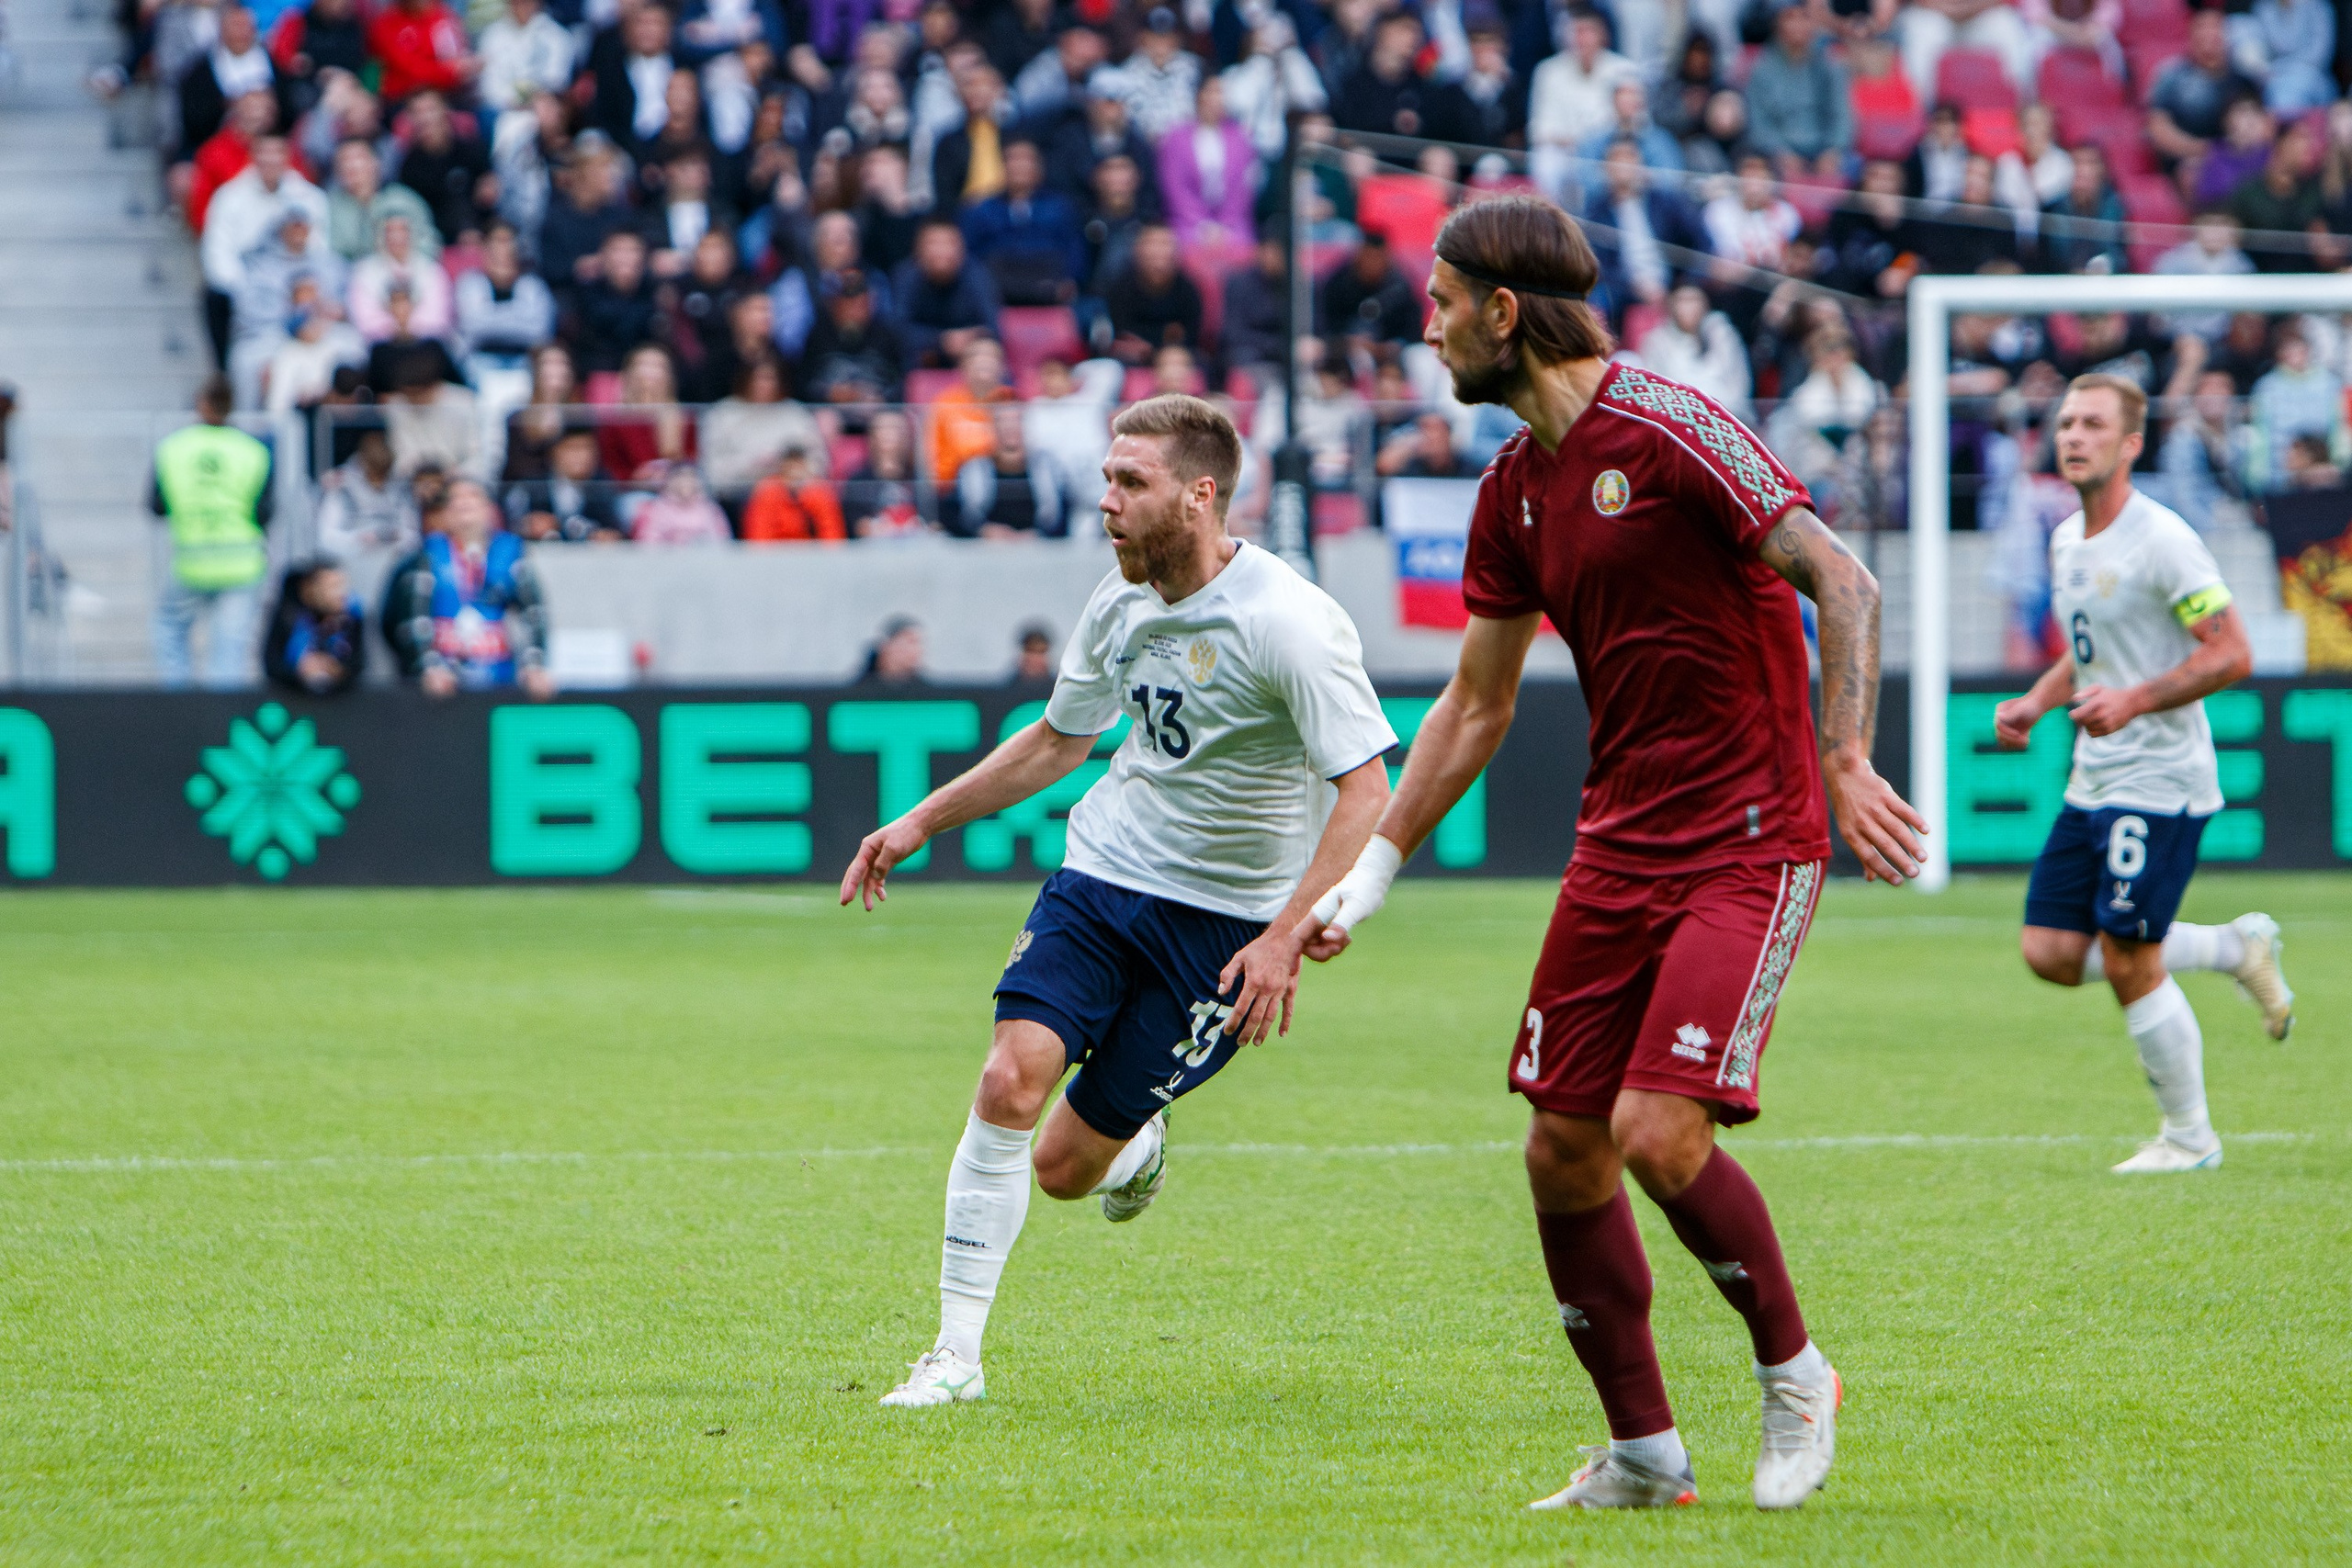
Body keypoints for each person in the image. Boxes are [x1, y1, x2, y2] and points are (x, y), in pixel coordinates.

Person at [1307, 196, 1924, 1512]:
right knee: (1563, 1149)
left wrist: (1846, 757)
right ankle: (1645, 1453)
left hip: (1747, 840)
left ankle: (1796, 1373)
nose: (1426, 329)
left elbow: (1845, 579)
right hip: (1618, 847)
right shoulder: (1509, 491)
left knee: (1655, 1127)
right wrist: (1374, 869)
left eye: (1440, 304)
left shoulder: (1672, 426)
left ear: (1503, 312)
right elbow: (1475, 704)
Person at [846, 393, 1397, 1409]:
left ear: (1199, 496)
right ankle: (954, 1357)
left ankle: (1136, 1143)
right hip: (1104, 876)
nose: (1105, 500)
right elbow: (1060, 739)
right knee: (1008, 1080)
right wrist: (920, 821)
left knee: (1062, 1168)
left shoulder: (1288, 621)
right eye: (1106, 477)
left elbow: (1366, 787)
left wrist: (1288, 934)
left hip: (1224, 925)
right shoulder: (1121, 599)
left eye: (1129, 482)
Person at [1993, 375, 2296, 1174]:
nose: (2073, 435)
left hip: (2160, 779)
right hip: (2094, 776)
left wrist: (2134, 700)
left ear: (2131, 444)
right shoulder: (2068, 538)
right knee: (2050, 949)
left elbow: (2232, 652)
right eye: (2066, 422)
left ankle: (2190, 1137)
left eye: (2093, 424)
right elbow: (2090, 650)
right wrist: (2037, 702)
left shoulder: (2163, 539)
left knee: (2130, 956)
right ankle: (2233, 946)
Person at [149, 376, 275, 689]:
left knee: (170, 627)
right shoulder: (253, 450)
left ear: (200, 404)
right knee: (230, 648)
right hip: (241, 561)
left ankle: (178, 702)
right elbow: (266, 511)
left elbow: (156, 506)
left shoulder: (173, 447)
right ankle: (224, 714)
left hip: (192, 559)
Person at [383, 477, 553, 694]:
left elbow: (534, 614)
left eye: (472, 496)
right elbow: (409, 621)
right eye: (455, 498)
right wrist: (428, 667)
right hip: (442, 685)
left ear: (489, 510)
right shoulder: (426, 556)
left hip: (498, 677)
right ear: (445, 513)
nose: (464, 502)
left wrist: (534, 665)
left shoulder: (509, 553)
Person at [262, 558, 366, 694]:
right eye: (333, 586)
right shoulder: (288, 614)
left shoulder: (352, 614)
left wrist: (337, 669)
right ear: (309, 589)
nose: (341, 594)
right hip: (291, 697)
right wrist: (300, 669)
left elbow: (360, 662)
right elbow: (271, 663)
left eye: (342, 585)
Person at [742, 443, 846, 541]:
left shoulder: (819, 492)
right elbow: (758, 536)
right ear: (782, 468)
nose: (795, 473)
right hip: (776, 551)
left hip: (812, 552)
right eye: (790, 467)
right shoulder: (767, 492)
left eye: (800, 466)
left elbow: (832, 536)